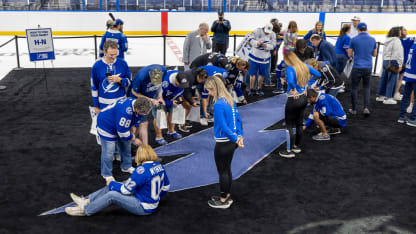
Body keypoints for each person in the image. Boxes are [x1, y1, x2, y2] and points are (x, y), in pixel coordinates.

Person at [65, 145, 170, 216]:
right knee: (112, 187)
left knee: (112, 194)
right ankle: (86, 201)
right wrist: (155, 198)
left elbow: (125, 190)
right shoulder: (159, 166)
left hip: (144, 207)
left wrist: (112, 183)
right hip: (149, 202)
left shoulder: (141, 170)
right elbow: (166, 187)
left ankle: (86, 210)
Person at [204, 75, 244, 209]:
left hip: (224, 143)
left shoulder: (219, 104)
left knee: (223, 171)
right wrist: (239, 136)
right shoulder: (230, 99)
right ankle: (226, 195)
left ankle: (223, 200)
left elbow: (223, 126)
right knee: (226, 169)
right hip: (231, 142)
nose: (209, 93)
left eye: (209, 90)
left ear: (215, 88)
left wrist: (236, 139)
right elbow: (238, 119)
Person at [96, 97, 152, 182]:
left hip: (117, 123)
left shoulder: (137, 104)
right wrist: (134, 139)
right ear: (136, 109)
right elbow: (122, 132)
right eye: (143, 112)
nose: (145, 114)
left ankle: (126, 166)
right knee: (109, 151)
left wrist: (133, 133)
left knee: (126, 146)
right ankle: (106, 174)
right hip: (106, 125)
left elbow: (135, 121)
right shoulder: (125, 112)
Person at [279, 52, 321, 158]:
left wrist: (293, 88)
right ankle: (296, 146)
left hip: (293, 98)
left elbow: (291, 81)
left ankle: (288, 150)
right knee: (299, 124)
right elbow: (318, 74)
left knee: (289, 125)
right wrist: (307, 84)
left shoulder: (290, 68)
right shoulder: (304, 66)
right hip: (303, 98)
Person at [130, 64, 167, 145]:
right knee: (137, 123)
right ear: (150, 74)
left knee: (143, 123)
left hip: (149, 97)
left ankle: (134, 143)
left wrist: (160, 97)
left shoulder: (164, 70)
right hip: (137, 98)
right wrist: (151, 100)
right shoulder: (141, 76)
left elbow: (159, 87)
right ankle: (132, 144)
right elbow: (134, 92)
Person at [91, 40, 132, 113]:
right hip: (104, 105)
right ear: (105, 52)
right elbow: (94, 87)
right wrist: (96, 106)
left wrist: (120, 80)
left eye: (115, 54)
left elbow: (129, 82)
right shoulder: (97, 66)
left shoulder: (123, 63)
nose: (113, 57)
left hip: (121, 103)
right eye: (111, 55)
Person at [347, 22, 377, 116]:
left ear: (358, 29)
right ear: (366, 29)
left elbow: (349, 54)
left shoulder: (354, 39)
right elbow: (374, 54)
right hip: (368, 66)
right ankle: (366, 108)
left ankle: (354, 109)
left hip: (357, 66)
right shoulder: (372, 39)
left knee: (354, 88)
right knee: (366, 87)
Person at [153, 70, 190, 145]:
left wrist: (179, 98)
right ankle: (159, 136)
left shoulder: (182, 77)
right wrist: (169, 102)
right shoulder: (165, 82)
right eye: (179, 84)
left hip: (172, 97)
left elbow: (180, 90)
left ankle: (171, 131)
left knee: (172, 113)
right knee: (159, 116)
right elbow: (157, 96)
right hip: (159, 97)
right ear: (176, 80)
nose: (181, 86)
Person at [376, 27, 404, 105]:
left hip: (385, 61)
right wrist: (400, 64)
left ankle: (380, 96)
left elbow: (384, 53)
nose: (400, 33)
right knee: (392, 80)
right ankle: (388, 97)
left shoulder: (387, 40)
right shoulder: (397, 41)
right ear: (397, 33)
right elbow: (399, 53)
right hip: (394, 61)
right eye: (399, 32)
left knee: (384, 79)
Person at [247, 23, 276, 96]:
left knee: (262, 74)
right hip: (254, 56)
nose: (267, 33)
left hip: (264, 58)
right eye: (266, 31)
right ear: (264, 27)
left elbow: (273, 46)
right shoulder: (257, 31)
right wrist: (257, 43)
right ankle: (251, 89)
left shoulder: (273, 34)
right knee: (252, 74)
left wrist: (266, 46)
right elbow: (250, 40)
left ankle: (259, 88)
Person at [179, 67, 209, 132]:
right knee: (187, 106)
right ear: (198, 76)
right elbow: (186, 92)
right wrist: (192, 102)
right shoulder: (190, 78)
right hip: (179, 88)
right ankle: (181, 125)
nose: (202, 82)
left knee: (188, 106)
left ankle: (183, 121)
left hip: (185, 88)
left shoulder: (197, 77)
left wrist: (192, 97)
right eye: (201, 80)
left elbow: (193, 88)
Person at [398, 38, 416, 127]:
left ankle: (401, 116)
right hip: (415, 76)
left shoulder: (413, 45)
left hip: (408, 75)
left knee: (406, 96)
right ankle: (412, 119)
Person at [394, 26, 415, 101]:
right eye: (404, 30)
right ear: (401, 32)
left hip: (397, 60)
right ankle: (395, 93)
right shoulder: (408, 39)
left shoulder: (397, 40)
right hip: (403, 61)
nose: (406, 31)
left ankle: (392, 92)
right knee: (400, 79)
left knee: (395, 78)